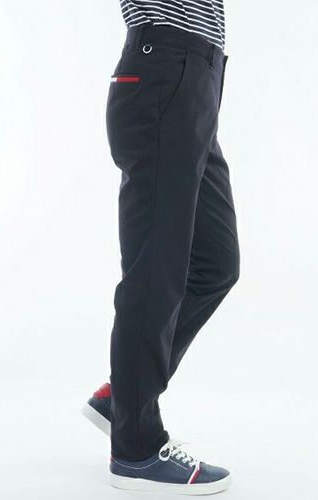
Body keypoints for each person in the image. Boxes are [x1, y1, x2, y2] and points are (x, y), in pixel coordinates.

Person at [82, 0, 240, 494]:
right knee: (156, 273)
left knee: (216, 263)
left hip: (196, 82)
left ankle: (124, 398)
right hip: (164, 70)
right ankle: (136, 450)